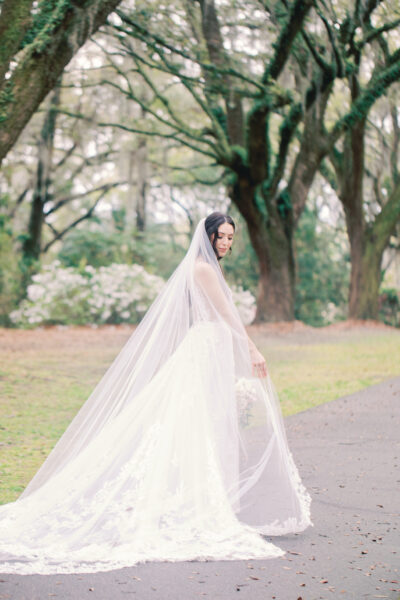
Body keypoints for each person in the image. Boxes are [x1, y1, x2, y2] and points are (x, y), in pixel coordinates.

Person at [0, 212, 312, 575]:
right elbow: (228, 315)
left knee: (203, 428)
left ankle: (201, 503)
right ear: (207, 237)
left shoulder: (204, 268)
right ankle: (194, 507)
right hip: (205, 350)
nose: (226, 243)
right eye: (221, 237)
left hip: (211, 349)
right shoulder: (203, 270)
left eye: (230, 237)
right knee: (193, 427)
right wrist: (253, 349)